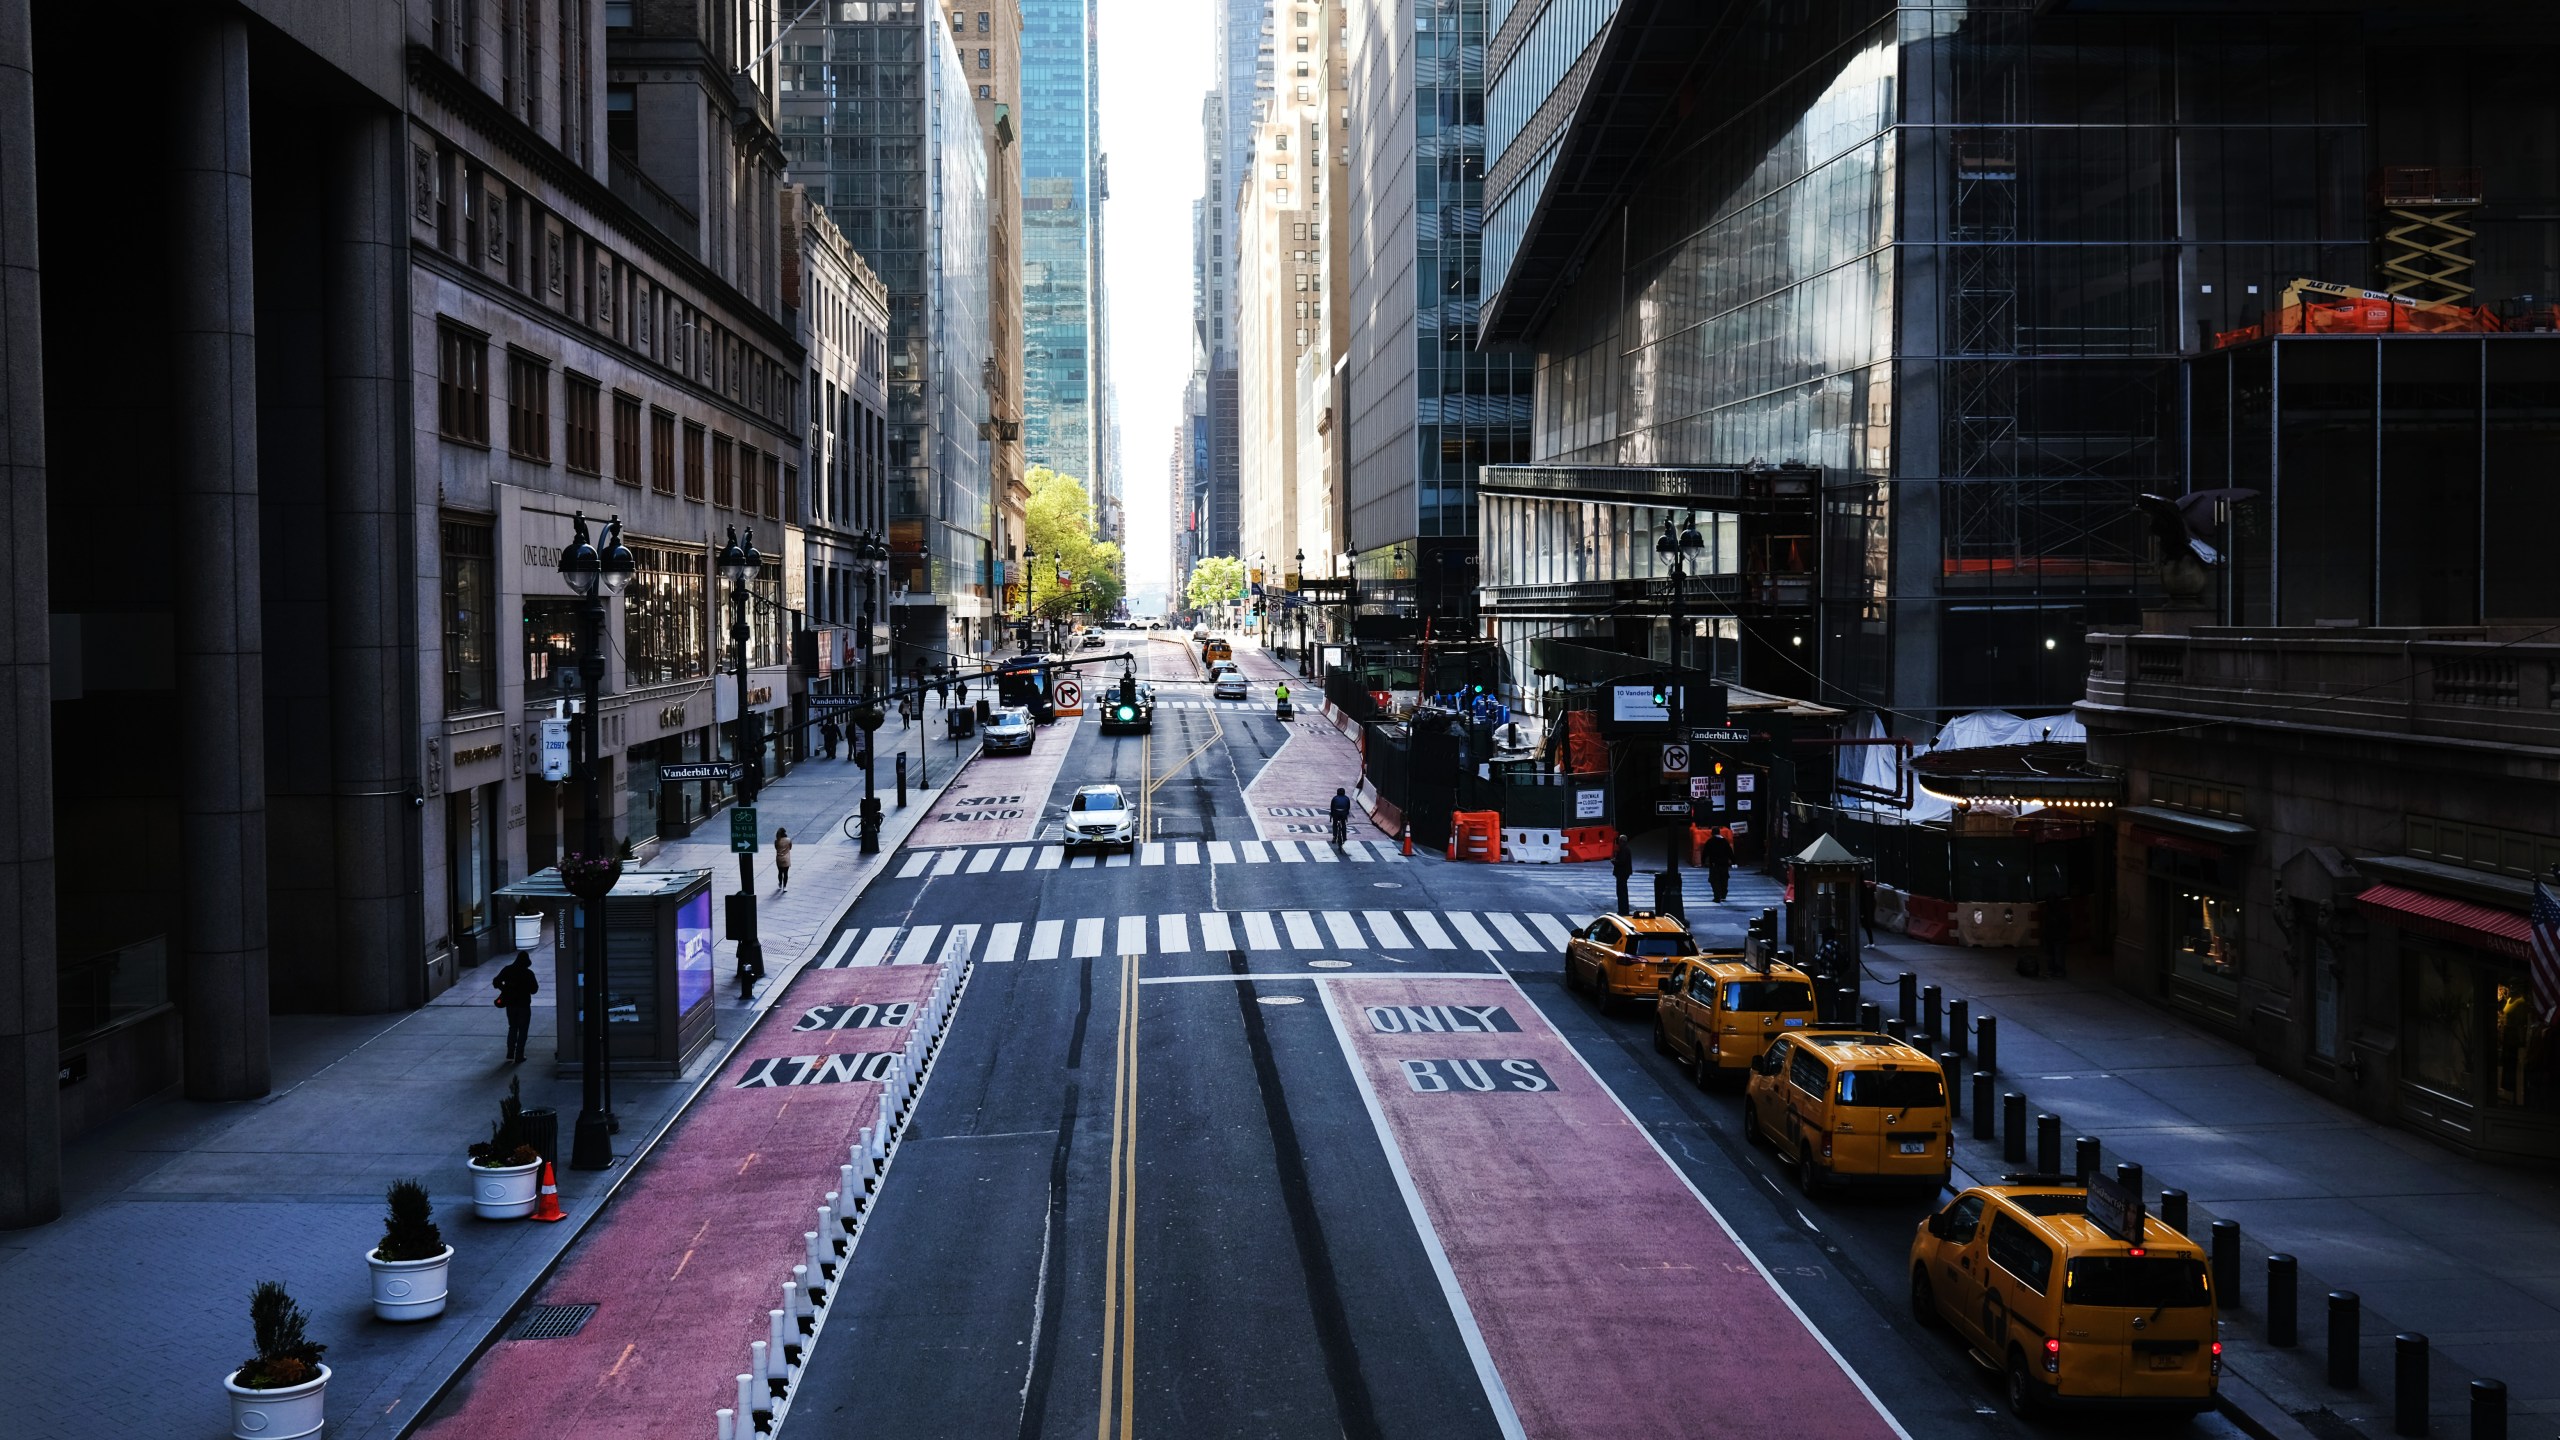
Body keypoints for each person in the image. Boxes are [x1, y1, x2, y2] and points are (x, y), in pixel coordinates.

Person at [493, 951, 540, 1064]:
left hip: (511, 1005)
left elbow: (496, 982)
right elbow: (534, 990)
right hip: (524, 1005)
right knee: (523, 1030)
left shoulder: (508, 970)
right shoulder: (528, 973)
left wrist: (505, 989)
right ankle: (519, 1055)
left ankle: (510, 1053)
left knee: (512, 1027)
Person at [1702, 825, 1735, 904]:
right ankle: (1723, 895)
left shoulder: (1710, 841)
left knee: (1715, 880)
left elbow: (1705, 852)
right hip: (1724, 863)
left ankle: (1717, 897)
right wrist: (1734, 861)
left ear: (1712, 833)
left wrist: (1703, 861)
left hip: (1714, 864)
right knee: (1724, 879)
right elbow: (1730, 852)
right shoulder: (1725, 841)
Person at [2042, 897, 2070, 978]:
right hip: (2055, 936)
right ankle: (2056, 971)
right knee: (2055, 955)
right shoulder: (2058, 911)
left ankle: (2057, 971)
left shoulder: (2053, 911)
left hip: (2057, 936)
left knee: (2056, 955)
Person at [1612, 832, 1634, 914]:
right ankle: (1624, 909)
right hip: (1624, 872)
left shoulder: (1623, 850)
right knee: (1623, 891)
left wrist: (1614, 862)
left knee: (1621, 892)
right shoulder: (1626, 849)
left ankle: (1623, 910)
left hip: (1622, 873)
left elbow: (1622, 861)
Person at [774, 827, 794, 893]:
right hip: (786, 858)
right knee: (786, 873)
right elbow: (790, 847)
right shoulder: (788, 840)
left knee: (780, 872)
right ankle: (785, 886)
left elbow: (776, 848)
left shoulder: (776, 841)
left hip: (779, 858)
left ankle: (780, 883)